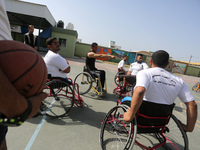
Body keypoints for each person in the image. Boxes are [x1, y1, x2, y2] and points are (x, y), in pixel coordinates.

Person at [0, 1, 47, 149]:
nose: (32, 29)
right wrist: (19, 109)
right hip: (9, 78)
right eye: (31, 27)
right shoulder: (26, 35)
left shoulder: (34, 36)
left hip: (16, 68)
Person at [124, 50, 197, 133]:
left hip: (142, 118)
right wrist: (189, 128)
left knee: (124, 100)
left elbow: (140, 92)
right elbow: (192, 105)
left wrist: (130, 116)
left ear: (151, 61)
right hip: (161, 121)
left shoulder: (145, 73)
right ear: (167, 64)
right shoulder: (179, 80)